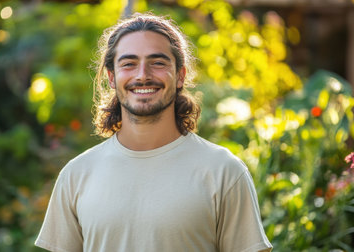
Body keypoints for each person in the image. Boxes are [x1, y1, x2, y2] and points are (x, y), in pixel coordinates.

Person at [35, 13, 273, 252]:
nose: (142, 75)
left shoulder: (224, 172)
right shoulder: (76, 175)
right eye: (128, 64)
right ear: (111, 77)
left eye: (158, 63)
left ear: (180, 75)